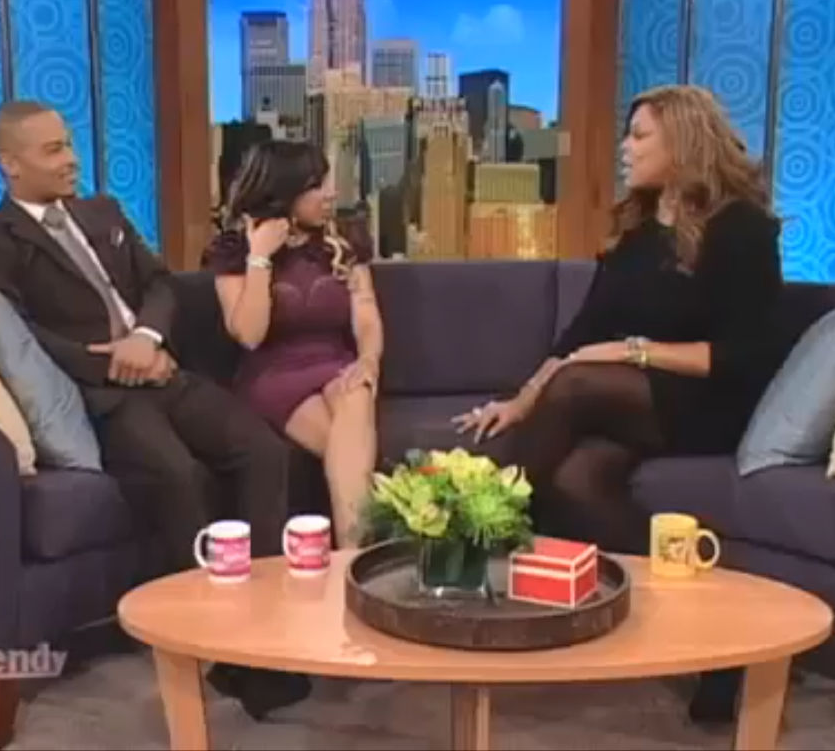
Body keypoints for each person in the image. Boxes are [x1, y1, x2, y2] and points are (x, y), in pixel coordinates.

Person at [0, 100, 309, 719]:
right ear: (8, 163)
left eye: (69, 144)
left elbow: (161, 283)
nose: (71, 159)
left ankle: (261, 625)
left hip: (164, 370)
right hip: (103, 392)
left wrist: (146, 339)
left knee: (264, 452)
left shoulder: (104, 211)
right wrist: (112, 362)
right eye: (53, 150)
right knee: (179, 477)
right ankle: (217, 646)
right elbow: (11, 328)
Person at [451, 84, 785, 724]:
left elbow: (743, 354)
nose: (625, 149)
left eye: (640, 136)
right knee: (576, 481)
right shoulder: (638, 233)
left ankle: (474, 526)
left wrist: (633, 352)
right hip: (632, 400)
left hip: (712, 400)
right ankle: (718, 641)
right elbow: (580, 336)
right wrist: (522, 400)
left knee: (579, 385)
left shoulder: (741, 228)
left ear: (682, 141)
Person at [201, 140, 382, 547]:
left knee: (356, 393)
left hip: (335, 363)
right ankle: (360, 560)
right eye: (317, 186)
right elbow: (249, 335)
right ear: (285, 191)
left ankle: (351, 558)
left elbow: (367, 316)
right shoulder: (234, 249)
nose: (331, 194)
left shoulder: (344, 240)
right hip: (274, 376)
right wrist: (260, 257)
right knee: (352, 459)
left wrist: (369, 360)